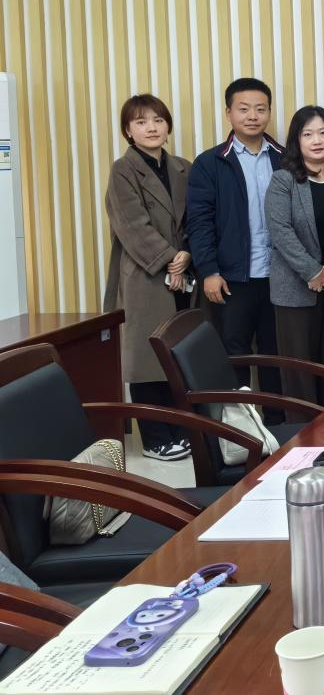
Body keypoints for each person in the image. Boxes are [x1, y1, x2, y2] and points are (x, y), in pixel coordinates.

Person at [187, 77, 284, 424]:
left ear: (269, 112)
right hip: (232, 278)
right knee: (234, 357)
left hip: (279, 278)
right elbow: (199, 223)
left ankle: (279, 427)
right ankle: (241, 433)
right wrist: (209, 270)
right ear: (228, 113)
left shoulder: (285, 159)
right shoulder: (210, 162)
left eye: (260, 109)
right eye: (243, 109)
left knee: (277, 357)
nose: (252, 116)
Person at [103, 94, 194, 461]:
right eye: (141, 122)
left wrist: (187, 255)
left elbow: (197, 218)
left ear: (168, 126)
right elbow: (132, 226)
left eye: (158, 120)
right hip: (146, 274)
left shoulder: (183, 168)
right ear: (128, 131)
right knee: (146, 360)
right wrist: (172, 259)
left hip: (185, 273)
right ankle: (156, 438)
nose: (151, 127)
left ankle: (181, 431)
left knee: (178, 355)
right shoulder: (122, 170)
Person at [265, 106, 324, 407]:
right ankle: (302, 430)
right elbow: (280, 231)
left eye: (323, 133)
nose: (317, 140)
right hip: (295, 289)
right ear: (297, 140)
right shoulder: (284, 180)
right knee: (299, 370)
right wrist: (313, 272)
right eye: (308, 134)